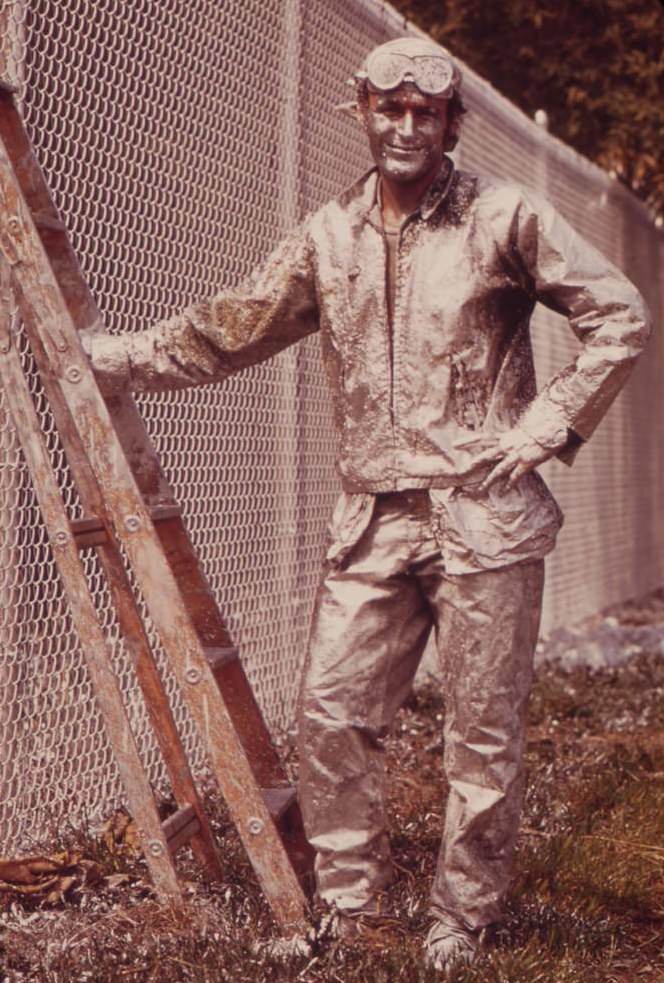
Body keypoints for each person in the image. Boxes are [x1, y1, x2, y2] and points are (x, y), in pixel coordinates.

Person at [85, 36, 650, 971]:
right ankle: (353, 907)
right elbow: (231, 328)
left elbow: (618, 313)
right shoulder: (329, 236)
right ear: (364, 113)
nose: (406, 127)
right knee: (331, 711)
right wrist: (116, 360)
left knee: (482, 732)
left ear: (452, 125)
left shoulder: (504, 217)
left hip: (485, 516)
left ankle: (463, 916)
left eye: (426, 112)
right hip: (373, 521)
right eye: (390, 109)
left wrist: (546, 426)